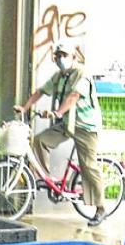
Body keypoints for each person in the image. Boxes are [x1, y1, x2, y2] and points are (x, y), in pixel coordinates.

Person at [13, 41, 107, 226]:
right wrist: (24, 108)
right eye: (58, 56)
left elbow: (73, 97)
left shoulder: (82, 75)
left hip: (86, 127)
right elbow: (40, 92)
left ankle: (101, 208)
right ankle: (47, 178)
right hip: (67, 124)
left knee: (88, 166)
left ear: (73, 57)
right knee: (39, 140)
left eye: (65, 55)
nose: (61, 59)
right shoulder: (58, 76)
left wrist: (57, 113)